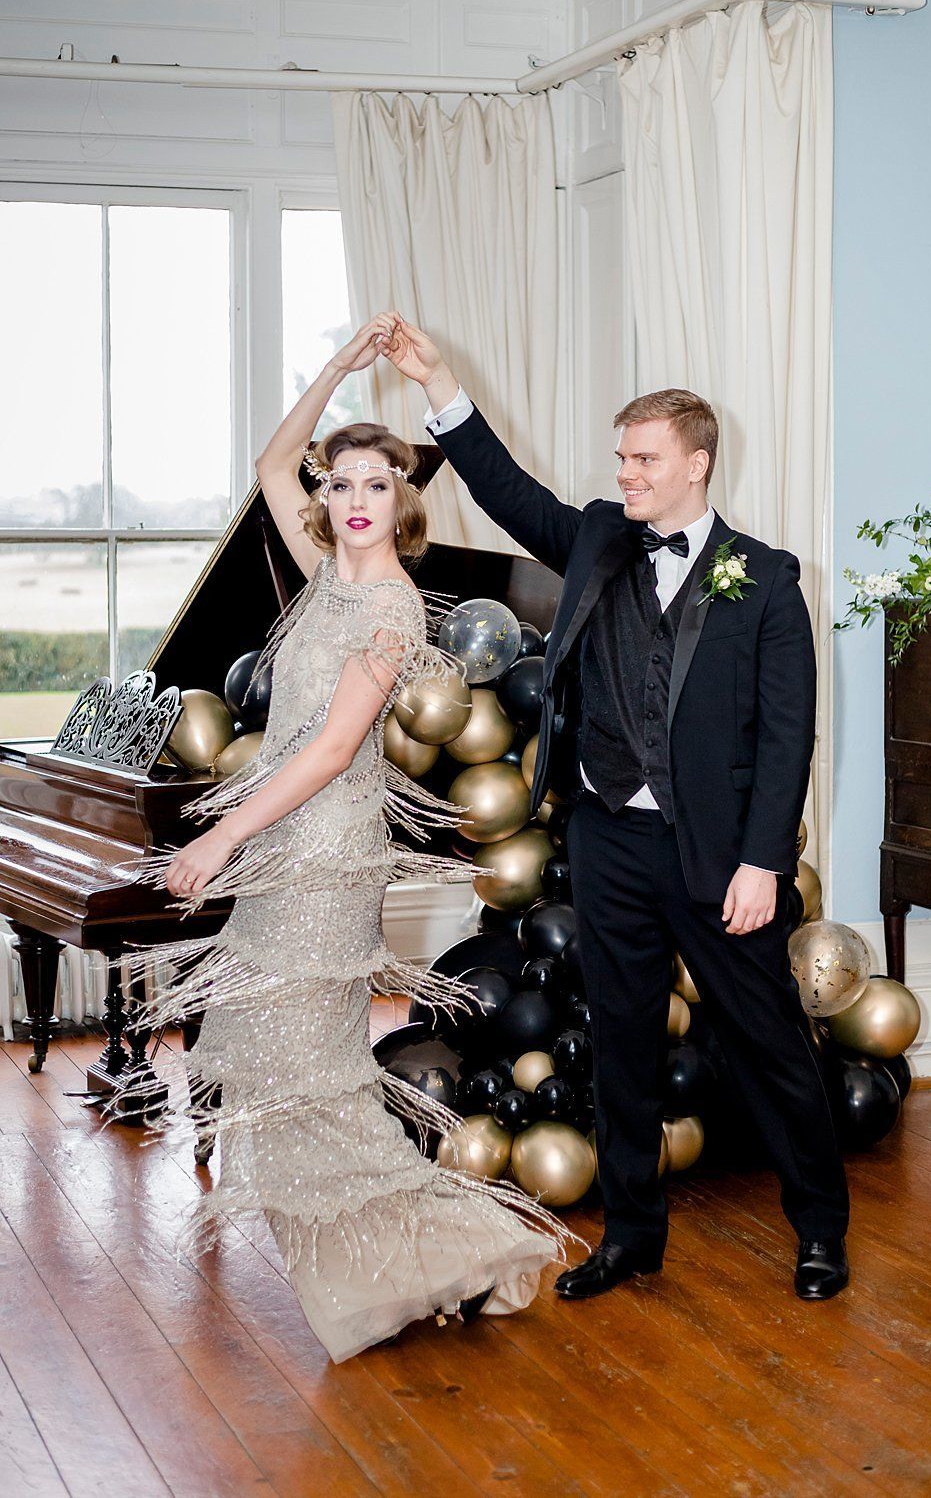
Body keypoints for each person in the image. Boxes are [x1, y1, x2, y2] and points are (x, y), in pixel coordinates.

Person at [121, 316, 574, 1363]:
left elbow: (329, 752)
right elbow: (271, 460)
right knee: (284, 1076)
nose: (356, 499)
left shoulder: (391, 607)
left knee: (305, 1073)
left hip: (325, 856)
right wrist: (336, 367)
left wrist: (219, 839)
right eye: (342, 483)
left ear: (402, 503)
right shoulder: (322, 570)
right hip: (285, 849)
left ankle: (451, 1250)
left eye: (377, 484)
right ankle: (404, 1268)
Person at [380, 313, 851, 1303]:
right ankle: (633, 1234)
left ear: (696, 463)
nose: (627, 473)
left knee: (769, 1042)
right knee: (622, 1044)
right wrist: (438, 384)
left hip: (720, 856)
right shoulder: (597, 534)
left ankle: (819, 1231)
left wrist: (763, 863)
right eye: (621, 457)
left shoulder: (764, 581)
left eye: (643, 458)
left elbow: (785, 737)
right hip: (606, 837)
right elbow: (507, 492)